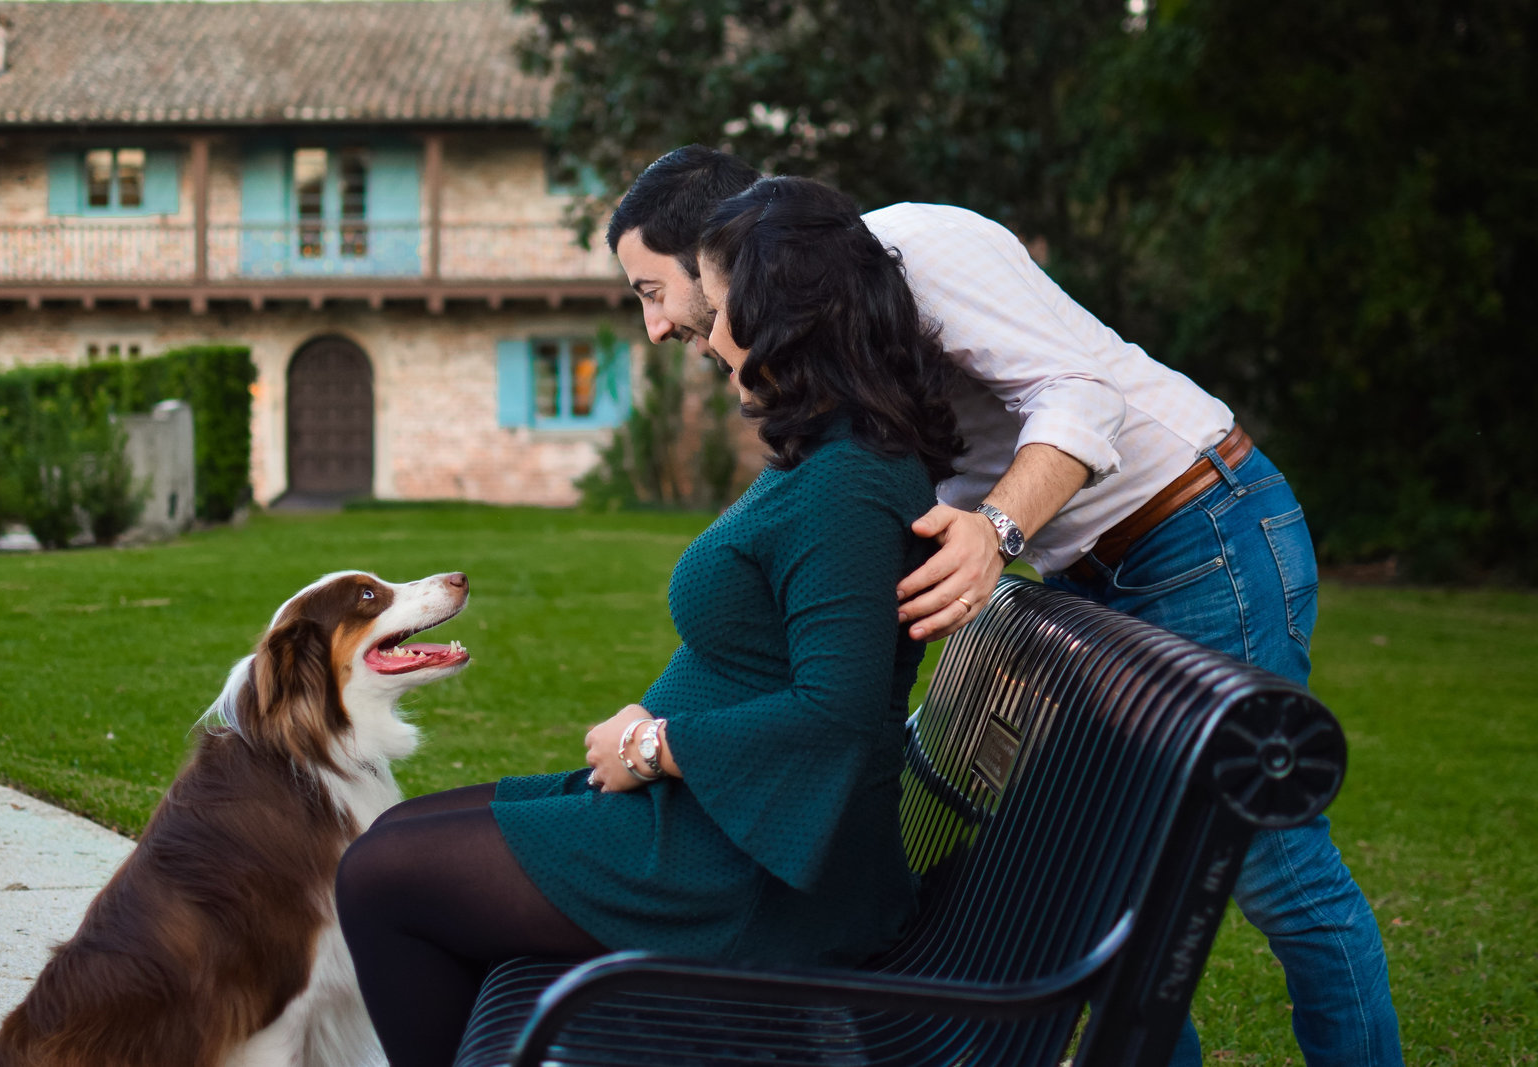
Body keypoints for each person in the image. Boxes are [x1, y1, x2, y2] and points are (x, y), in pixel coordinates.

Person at [607, 145, 1403, 1067]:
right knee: (1108, 877)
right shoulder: (822, 322)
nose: (658, 326)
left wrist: (994, 529)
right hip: (1089, 572)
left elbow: (1082, 395)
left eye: (652, 289)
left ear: (712, 255)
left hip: (1201, 528)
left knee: (1273, 861)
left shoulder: (918, 250)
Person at [335, 176, 965, 1067]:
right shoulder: (826, 452)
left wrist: (655, 746)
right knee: (393, 843)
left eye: (718, 298)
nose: (706, 327)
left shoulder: (848, 480)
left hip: (751, 869)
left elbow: (841, 711)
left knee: (382, 879)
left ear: (780, 309)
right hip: (723, 822)